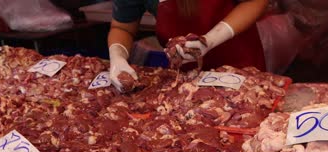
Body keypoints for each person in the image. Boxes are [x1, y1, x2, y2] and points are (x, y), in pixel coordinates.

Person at [108, 0, 269, 90]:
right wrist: (117, 56)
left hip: (238, 66)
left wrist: (212, 39)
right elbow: (122, 27)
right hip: (186, 76)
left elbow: (256, 1)